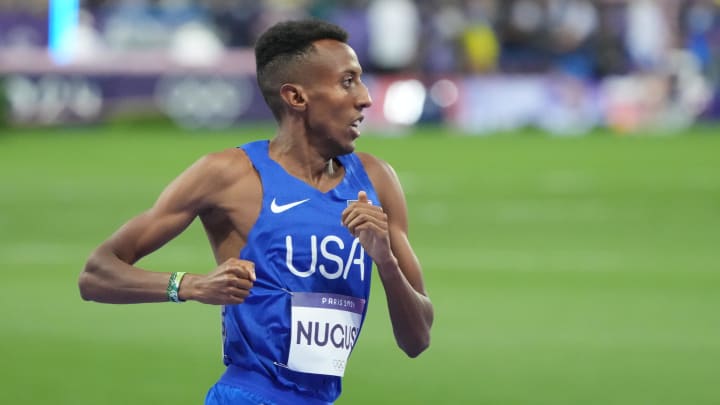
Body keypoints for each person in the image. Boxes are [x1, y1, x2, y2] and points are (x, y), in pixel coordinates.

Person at [78, 19, 434, 405]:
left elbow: (417, 339)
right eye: (347, 81)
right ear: (296, 97)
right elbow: (96, 274)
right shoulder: (227, 175)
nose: (364, 97)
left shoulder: (376, 181)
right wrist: (192, 286)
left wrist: (385, 262)